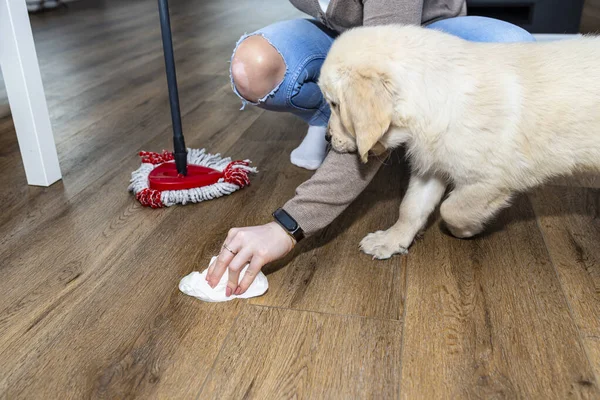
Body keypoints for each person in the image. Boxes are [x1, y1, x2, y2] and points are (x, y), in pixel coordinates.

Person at [206, 0, 535, 297]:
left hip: (429, 31)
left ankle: (409, 127)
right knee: (252, 66)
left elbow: (377, 90)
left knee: (514, 50)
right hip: (343, 35)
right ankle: (332, 117)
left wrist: (288, 226)